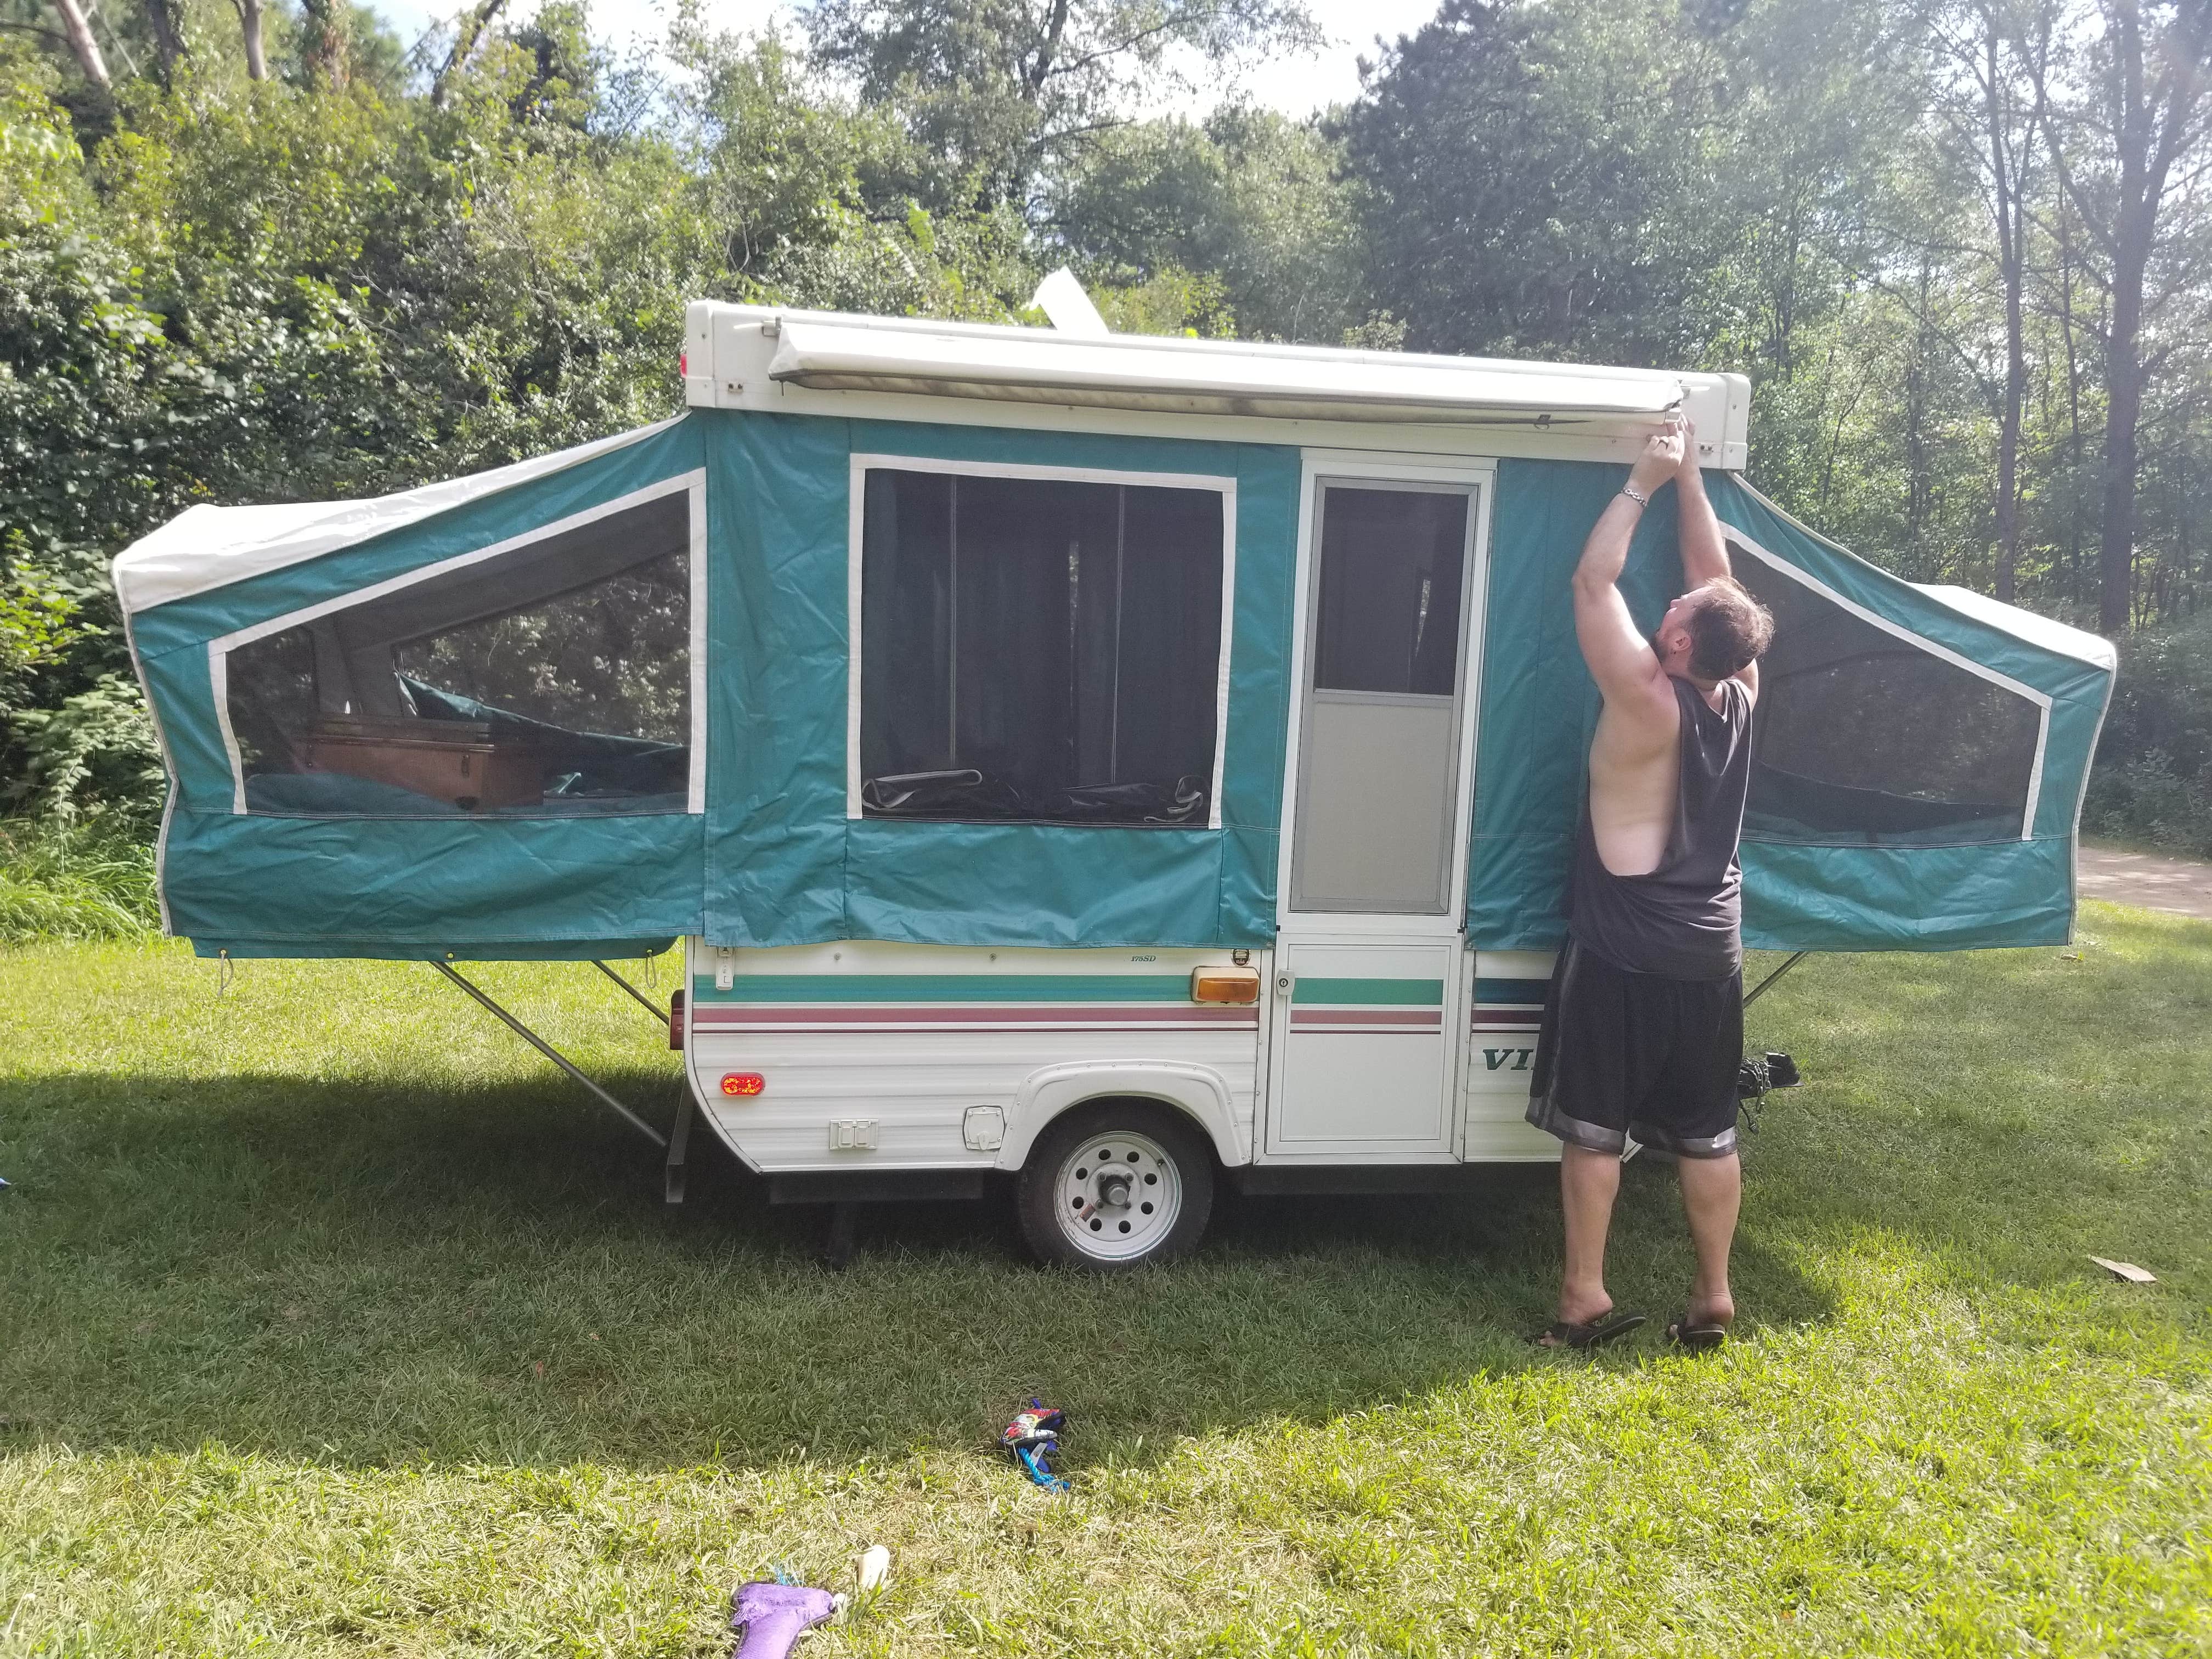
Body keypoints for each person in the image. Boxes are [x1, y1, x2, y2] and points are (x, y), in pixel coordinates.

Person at [1525, 414, 1775, 1354]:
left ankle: (1585, 1297)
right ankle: (1714, 1295)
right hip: (1712, 955)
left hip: (1624, 949)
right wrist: (1695, 482)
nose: (1668, 605)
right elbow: (1724, 592)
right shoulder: (1745, 690)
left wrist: (1641, 482)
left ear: (1677, 644)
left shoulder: (1643, 694)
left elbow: (1593, 580)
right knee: (1710, 1133)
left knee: (1595, 1132)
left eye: (1675, 612)